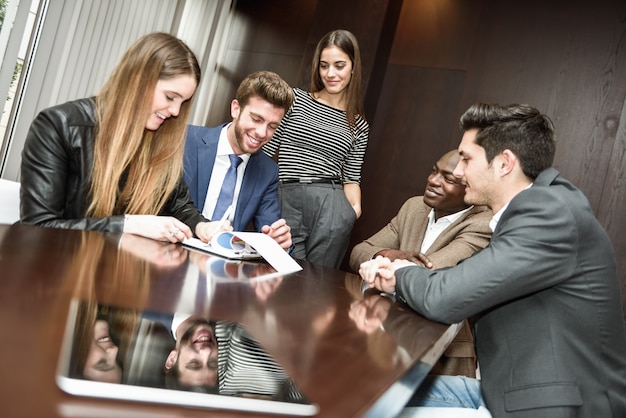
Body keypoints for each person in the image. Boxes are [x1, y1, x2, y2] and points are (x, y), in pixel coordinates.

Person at [359, 103, 626, 417]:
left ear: (504, 163)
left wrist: (399, 273)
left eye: (467, 159)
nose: (459, 172)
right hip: (503, 390)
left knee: (371, 408)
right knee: (367, 391)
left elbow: (449, 295)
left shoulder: (547, 211)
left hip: (551, 406)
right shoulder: (535, 209)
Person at [20, 32, 221, 243]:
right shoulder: (58, 125)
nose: (176, 111)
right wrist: (128, 224)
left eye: (183, 102)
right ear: (137, 81)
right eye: (170, 97)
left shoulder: (159, 138)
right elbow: (38, 228)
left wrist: (202, 226)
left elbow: (179, 204)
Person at [350, 149, 492, 378]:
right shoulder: (414, 207)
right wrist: (385, 254)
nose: (432, 181)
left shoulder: (483, 223)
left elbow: (431, 275)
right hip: (385, 330)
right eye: (434, 171)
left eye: (448, 179)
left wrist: (387, 269)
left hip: (440, 351)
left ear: (471, 189)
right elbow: (359, 251)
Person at [262, 29, 369, 268]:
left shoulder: (359, 125)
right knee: (277, 270)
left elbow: (351, 178)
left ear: (353, 67)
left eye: (339, 65)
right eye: (324, 65)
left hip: (332, 204)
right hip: (286, 196)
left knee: (316, 283)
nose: (330, 73)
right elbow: (266, 151)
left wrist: (352, 212)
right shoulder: (295, 99)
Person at [183, 71, 295, 250]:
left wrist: (279, 242)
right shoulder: (187, 140)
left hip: (223, 268)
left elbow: (270, 230)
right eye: (256, 119)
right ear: (236, 109)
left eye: (272, 126)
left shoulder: (267, 172)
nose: (262, 133)